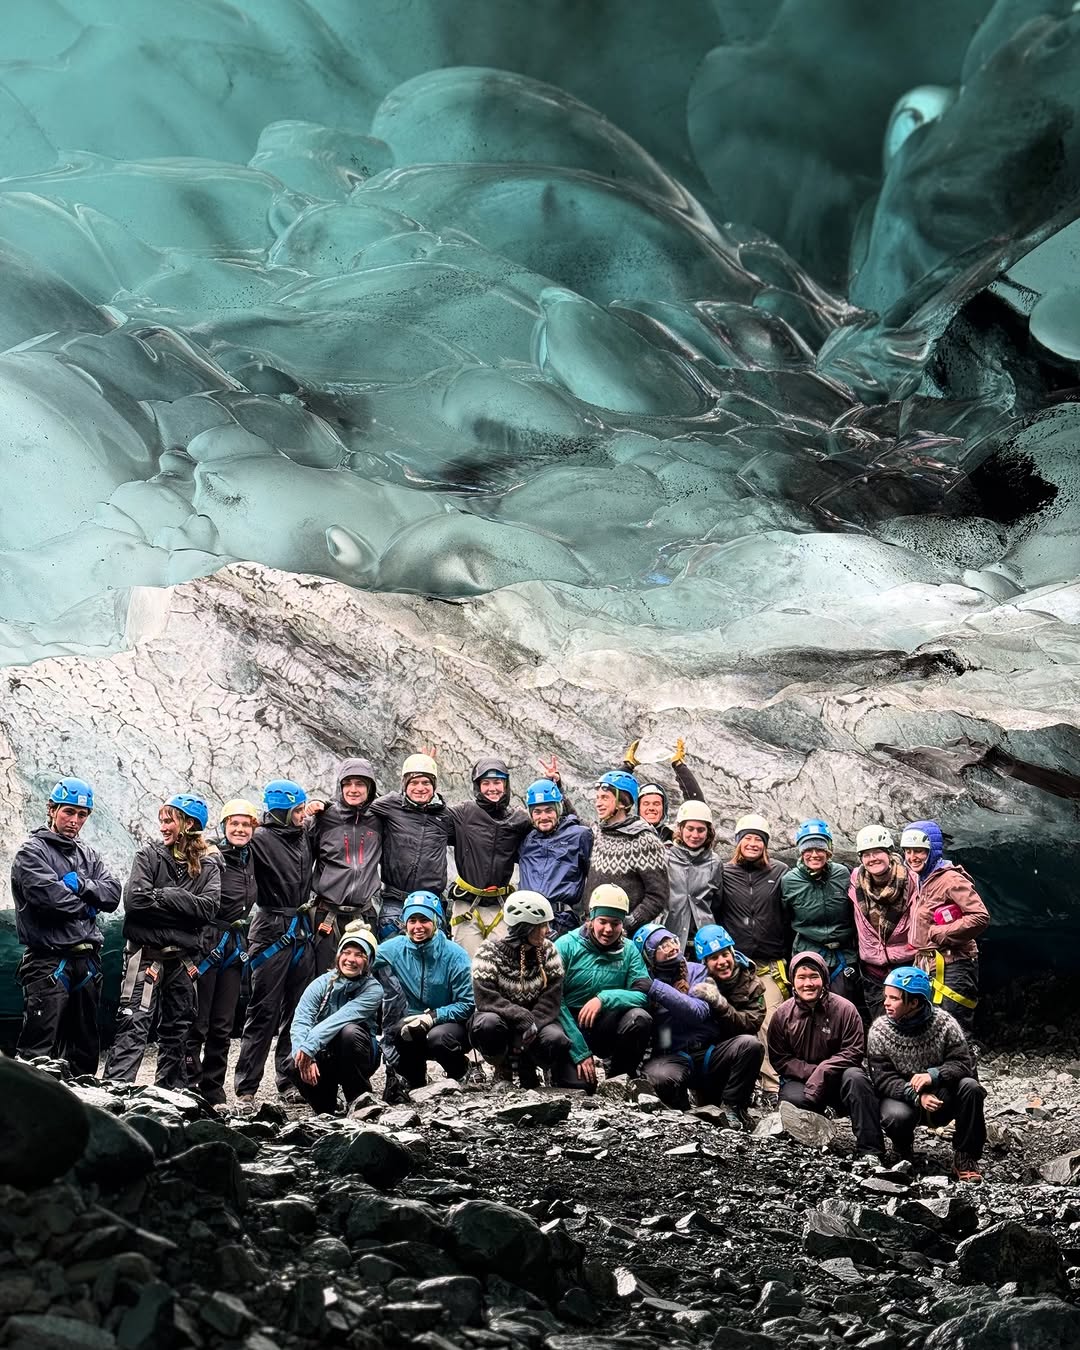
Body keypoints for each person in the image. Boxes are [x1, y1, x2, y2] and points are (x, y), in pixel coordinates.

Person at [104, 794, 221, 1087]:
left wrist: (168, 895)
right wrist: (185, 915)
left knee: (178, 1028)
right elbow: (135, 903)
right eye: (162, 820)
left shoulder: (209, 867)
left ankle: (170, 1095)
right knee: (133, 1023)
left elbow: (208, 910)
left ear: (188, 824)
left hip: (182, 962)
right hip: (145, 957)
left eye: (169, 820)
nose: (163, 827)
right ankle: (116, 1091)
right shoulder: (148, 856)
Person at [12, 777, 122, 1075]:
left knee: (85, 1050)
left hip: (86, 962)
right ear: (51, 810)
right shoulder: (31, 853)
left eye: (82, 815)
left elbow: (113, 893)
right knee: (38, 1049)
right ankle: (30, 1116)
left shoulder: (89, 855)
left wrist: (81, 885)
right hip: (48, 961)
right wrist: (89, 904)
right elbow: (49, 902)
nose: (75, 820)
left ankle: (84, 1114)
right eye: (68, 812)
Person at [233, 780, 317, 1109]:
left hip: (301, 929)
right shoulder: (259, 839)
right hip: (270, 927)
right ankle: (246, 1087)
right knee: (263, 1011)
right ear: (281, 812)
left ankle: (287, 1080)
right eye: (296, 811)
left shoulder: (304, 834)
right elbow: (233, 853)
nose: (301, 815)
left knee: (297, 1011)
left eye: (302, 810)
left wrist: (318, 806)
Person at [868, 966, 987, 1181]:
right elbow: (882, 1078)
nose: (886, 1003)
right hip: (903, 1098)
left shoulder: (945, 1024)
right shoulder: (879, 1031)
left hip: (942, 1096)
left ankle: (965, 1156)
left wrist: (934, 1075)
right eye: (886, 997)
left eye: (894, 998)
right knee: (896, 1116)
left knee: (971, 1088)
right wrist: (916, 1095)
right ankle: (902, 1149)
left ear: (914, 1002)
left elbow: (963, 1063)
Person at [637, 923, 763, 1125]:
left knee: (750, 1045)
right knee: (660, 1076)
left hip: (710, 1053)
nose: (721, 962)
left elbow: (698, 1012)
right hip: (674, 1055)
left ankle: (732, 1108)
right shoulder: (645, 979)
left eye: (671, 942)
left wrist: (656, 989)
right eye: (661, 947)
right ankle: (683, 1113)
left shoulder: (697, 971)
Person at [767, 951, 884, 1159]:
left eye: (814, 976)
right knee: (790, 1098)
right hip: (803, 1082)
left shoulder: (845, 1009)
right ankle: (805, 1152)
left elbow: (854, 1051)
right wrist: (813, 1073)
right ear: (793, 981)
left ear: (824, 978)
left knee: (857, 1079)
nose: (808, 983)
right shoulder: (782, 1015)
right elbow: (780, 1059)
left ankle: (870, 1150)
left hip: (840, 1079)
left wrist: (824, 1070)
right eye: (801, 978)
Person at [186, 798, 259, 1105]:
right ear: (223, 826)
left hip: (234, 943)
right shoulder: (209, 855)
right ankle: (189, 1084)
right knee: (197, 1021)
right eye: (234, 824)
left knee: (223, 1024)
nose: (240, 829)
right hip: (207, 939)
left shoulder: (252, 856)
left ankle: (213, 1089)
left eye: (246, 824)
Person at [551, 884, 653, 1091]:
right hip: (570, 1025)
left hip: (605, 1023)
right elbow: (554, 1000)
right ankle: (558, 1067)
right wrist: (579, 1052)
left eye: (615, 923)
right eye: (602, 922)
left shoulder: (630, 950)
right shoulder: (565, 946)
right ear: (591, 919)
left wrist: (605, 998)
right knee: (582, 1087)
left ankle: (618, 1077)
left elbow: (643, 995)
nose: (608, 930)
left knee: (639, 1018)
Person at [716, 813, 789, 1103]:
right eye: (747, 838)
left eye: (758, 839)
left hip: (768, 964)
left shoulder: (780, 871)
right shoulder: (723, 872)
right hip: (734, 965)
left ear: (766, 844)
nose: (752, 843)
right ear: (738, 842)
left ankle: (771, 1085)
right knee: (731, 1022)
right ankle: (736, 1084)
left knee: (770, 1021)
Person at [470, 890, 570, 1088]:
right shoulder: (488, 952)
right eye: (541, 926)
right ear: (524, 928)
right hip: (502, 1021)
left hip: (536, 1023)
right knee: (487, 1024)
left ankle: (531, 1064)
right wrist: (520, 1017)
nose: (548, 930)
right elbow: (486, 999)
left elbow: (552, 998)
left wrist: (532, 1025)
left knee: (556, 1039)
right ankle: (503, 1066)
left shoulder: (549, 951)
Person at [377, 890, 475, 1088]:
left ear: (436, 921)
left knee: (437, 1038)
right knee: (400, 1031)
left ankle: (460, 1070)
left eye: (424, 920)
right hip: (414, 1022)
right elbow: (364, 958)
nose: (417, 927)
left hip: (453, 1025)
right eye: (412, 921)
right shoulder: (395, 948)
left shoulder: (455, 955)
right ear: (404, 923)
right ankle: (417, 1082)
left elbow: (467, 1004)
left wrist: (432, 1016)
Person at [901, 821, 990, 1035]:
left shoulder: (950, 879)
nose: (913, 857)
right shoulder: (922, 879)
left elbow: (979, 916)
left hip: (953, 964)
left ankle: (962, 1068)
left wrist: (939, 933)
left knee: (953, 1030)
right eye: (908, 851)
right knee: (931, 1030)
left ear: (932, 851)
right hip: (927, 963)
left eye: (919, 851)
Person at [443, 756, 533, 956]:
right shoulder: (463, 814)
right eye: (486, 783)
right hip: (467, 905)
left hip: (500, 905)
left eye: (497, 782)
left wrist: (557, 787)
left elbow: (550, 827)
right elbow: (430, 820)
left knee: (502, 967)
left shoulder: (519, 819)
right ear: (478, 786)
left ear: (506, 785)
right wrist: (427, 776)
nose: (492, 788)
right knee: (467, 968)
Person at [289, 927, 384, 1113]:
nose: (350, 959)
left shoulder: (373, 989)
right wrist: (304, 1053)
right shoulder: (321, 983)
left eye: (359, 955)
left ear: (369, 960)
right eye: (346, 953)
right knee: (294, 1060)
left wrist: (310, 1046)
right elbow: (301, 1021)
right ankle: (326, 1108)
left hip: (358, 1052)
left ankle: (359, 1100)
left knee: (348, 1032)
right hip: (325, 1053)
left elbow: (342, 1018)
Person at [306, 758, 383, 970]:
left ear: (370, 788)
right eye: (347, 783)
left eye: (360, 784)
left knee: (362, 976)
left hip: (364, 914)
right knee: (323, 978)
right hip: (327, 915)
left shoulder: (380, 817)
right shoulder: (324, 817)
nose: (353, 789)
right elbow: (302, 855)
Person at [371, 752, 451, 938]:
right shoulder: (390, 805)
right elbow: (357, 804)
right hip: (396, 901)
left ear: (434, 786)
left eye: (426, 783)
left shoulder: (445, 816)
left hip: (430, 902)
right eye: (413, 783)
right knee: (391, 962)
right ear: (404, 785)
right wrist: (324, 804)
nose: (420, 788)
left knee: (431, 964)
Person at [780, 820, 858, 1004]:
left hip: (843, 954)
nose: (814, 854)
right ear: (801, 852)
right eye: (808, 850)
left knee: (843, 1005)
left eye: (820, 849)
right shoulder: (789, 881)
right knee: (809, 1006)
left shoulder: (843, 874)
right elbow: (784, 919)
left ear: (828, 851)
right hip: (808, 951)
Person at [585, 771, 669, 936]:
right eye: (598, 798)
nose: (598, 803)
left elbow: (658, 895)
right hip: (590, 931)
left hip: (623, 936)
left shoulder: (644, 840)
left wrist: (629, 922)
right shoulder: (597, 832)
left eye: (605, 798)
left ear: (622, 802)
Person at [849, 825, 919, 1020]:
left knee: (911, 1021)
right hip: (873, 971)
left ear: (889, 852)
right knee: (882, 1025)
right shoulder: (856, 880)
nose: (872, 859)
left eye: (878, 852)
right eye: (866, 854)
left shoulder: (911, 880)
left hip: (906, 966)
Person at [517, 778, 593, 934]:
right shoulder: (524, 839)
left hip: (563, 920)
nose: (543, 816)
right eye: (537, 812)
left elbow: (594, 877)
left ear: (558, 810)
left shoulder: (580, 835)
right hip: (526, 919)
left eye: (549, 810)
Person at [664, 800, 724, 952]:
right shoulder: (666, 856)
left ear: (708, 832)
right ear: (681, 829)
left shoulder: (714, 862)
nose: (695, 835)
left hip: (703, 937)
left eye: (700, 830)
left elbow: (717, 902)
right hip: (669, 934)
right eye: (690, 829)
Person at [623, 737, 705, 842]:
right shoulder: (624, 834)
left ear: (664, 809)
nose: (651, 808)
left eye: (656, 804)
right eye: (646, 803)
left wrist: (679, 765)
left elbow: (697, 806)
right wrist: (628, 767)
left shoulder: (675, 838)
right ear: (638, 808)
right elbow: (608, 798)